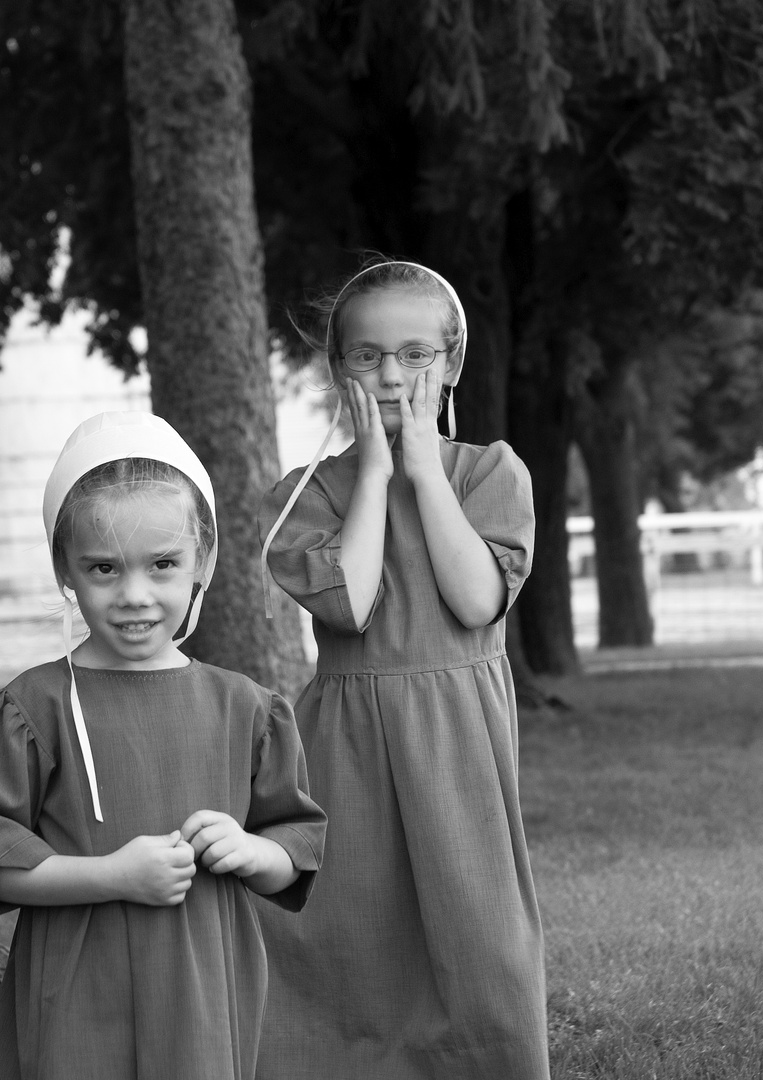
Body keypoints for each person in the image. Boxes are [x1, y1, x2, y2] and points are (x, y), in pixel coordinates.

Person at [0, 412, 327, 1080]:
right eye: (103, 568)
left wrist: (250, 850)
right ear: (64, 569)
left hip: (203, 989)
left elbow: (292, 856)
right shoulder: (32, 708)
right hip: (79, 987)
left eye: (162, 565)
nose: (134, 596)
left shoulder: (246, 708)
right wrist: (114, 875)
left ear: (203, 562)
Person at [256, 260, 548, 1078]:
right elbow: (347, 606)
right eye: (366, 356)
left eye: (415, 355)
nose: (390, 374)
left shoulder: (488, 471)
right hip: (345, 740)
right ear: (337, 369)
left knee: (477, 936)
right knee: (349, 929)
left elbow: (476, 600)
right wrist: (376, 472)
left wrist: (421, 466)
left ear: (451, 364)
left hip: (456, 734)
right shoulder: (307, 493)